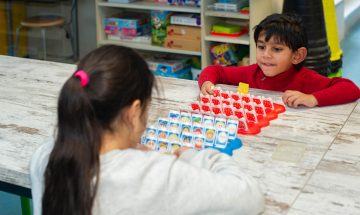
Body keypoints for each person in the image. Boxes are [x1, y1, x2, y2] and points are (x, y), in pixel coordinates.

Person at [30, 45, 264, 215]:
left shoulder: (45, 155)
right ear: (133, 113)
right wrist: (191, 154)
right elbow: (249, 197)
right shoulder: (154, 174)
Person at [199, 13, 360, 107]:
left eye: (277, 49)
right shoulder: (251, 72)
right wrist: (206, 83)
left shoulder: (305, 79)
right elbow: (215, 70)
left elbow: (351, 89)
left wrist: (312, 98)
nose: (266, 55)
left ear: (297, 56)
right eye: (261, 47)